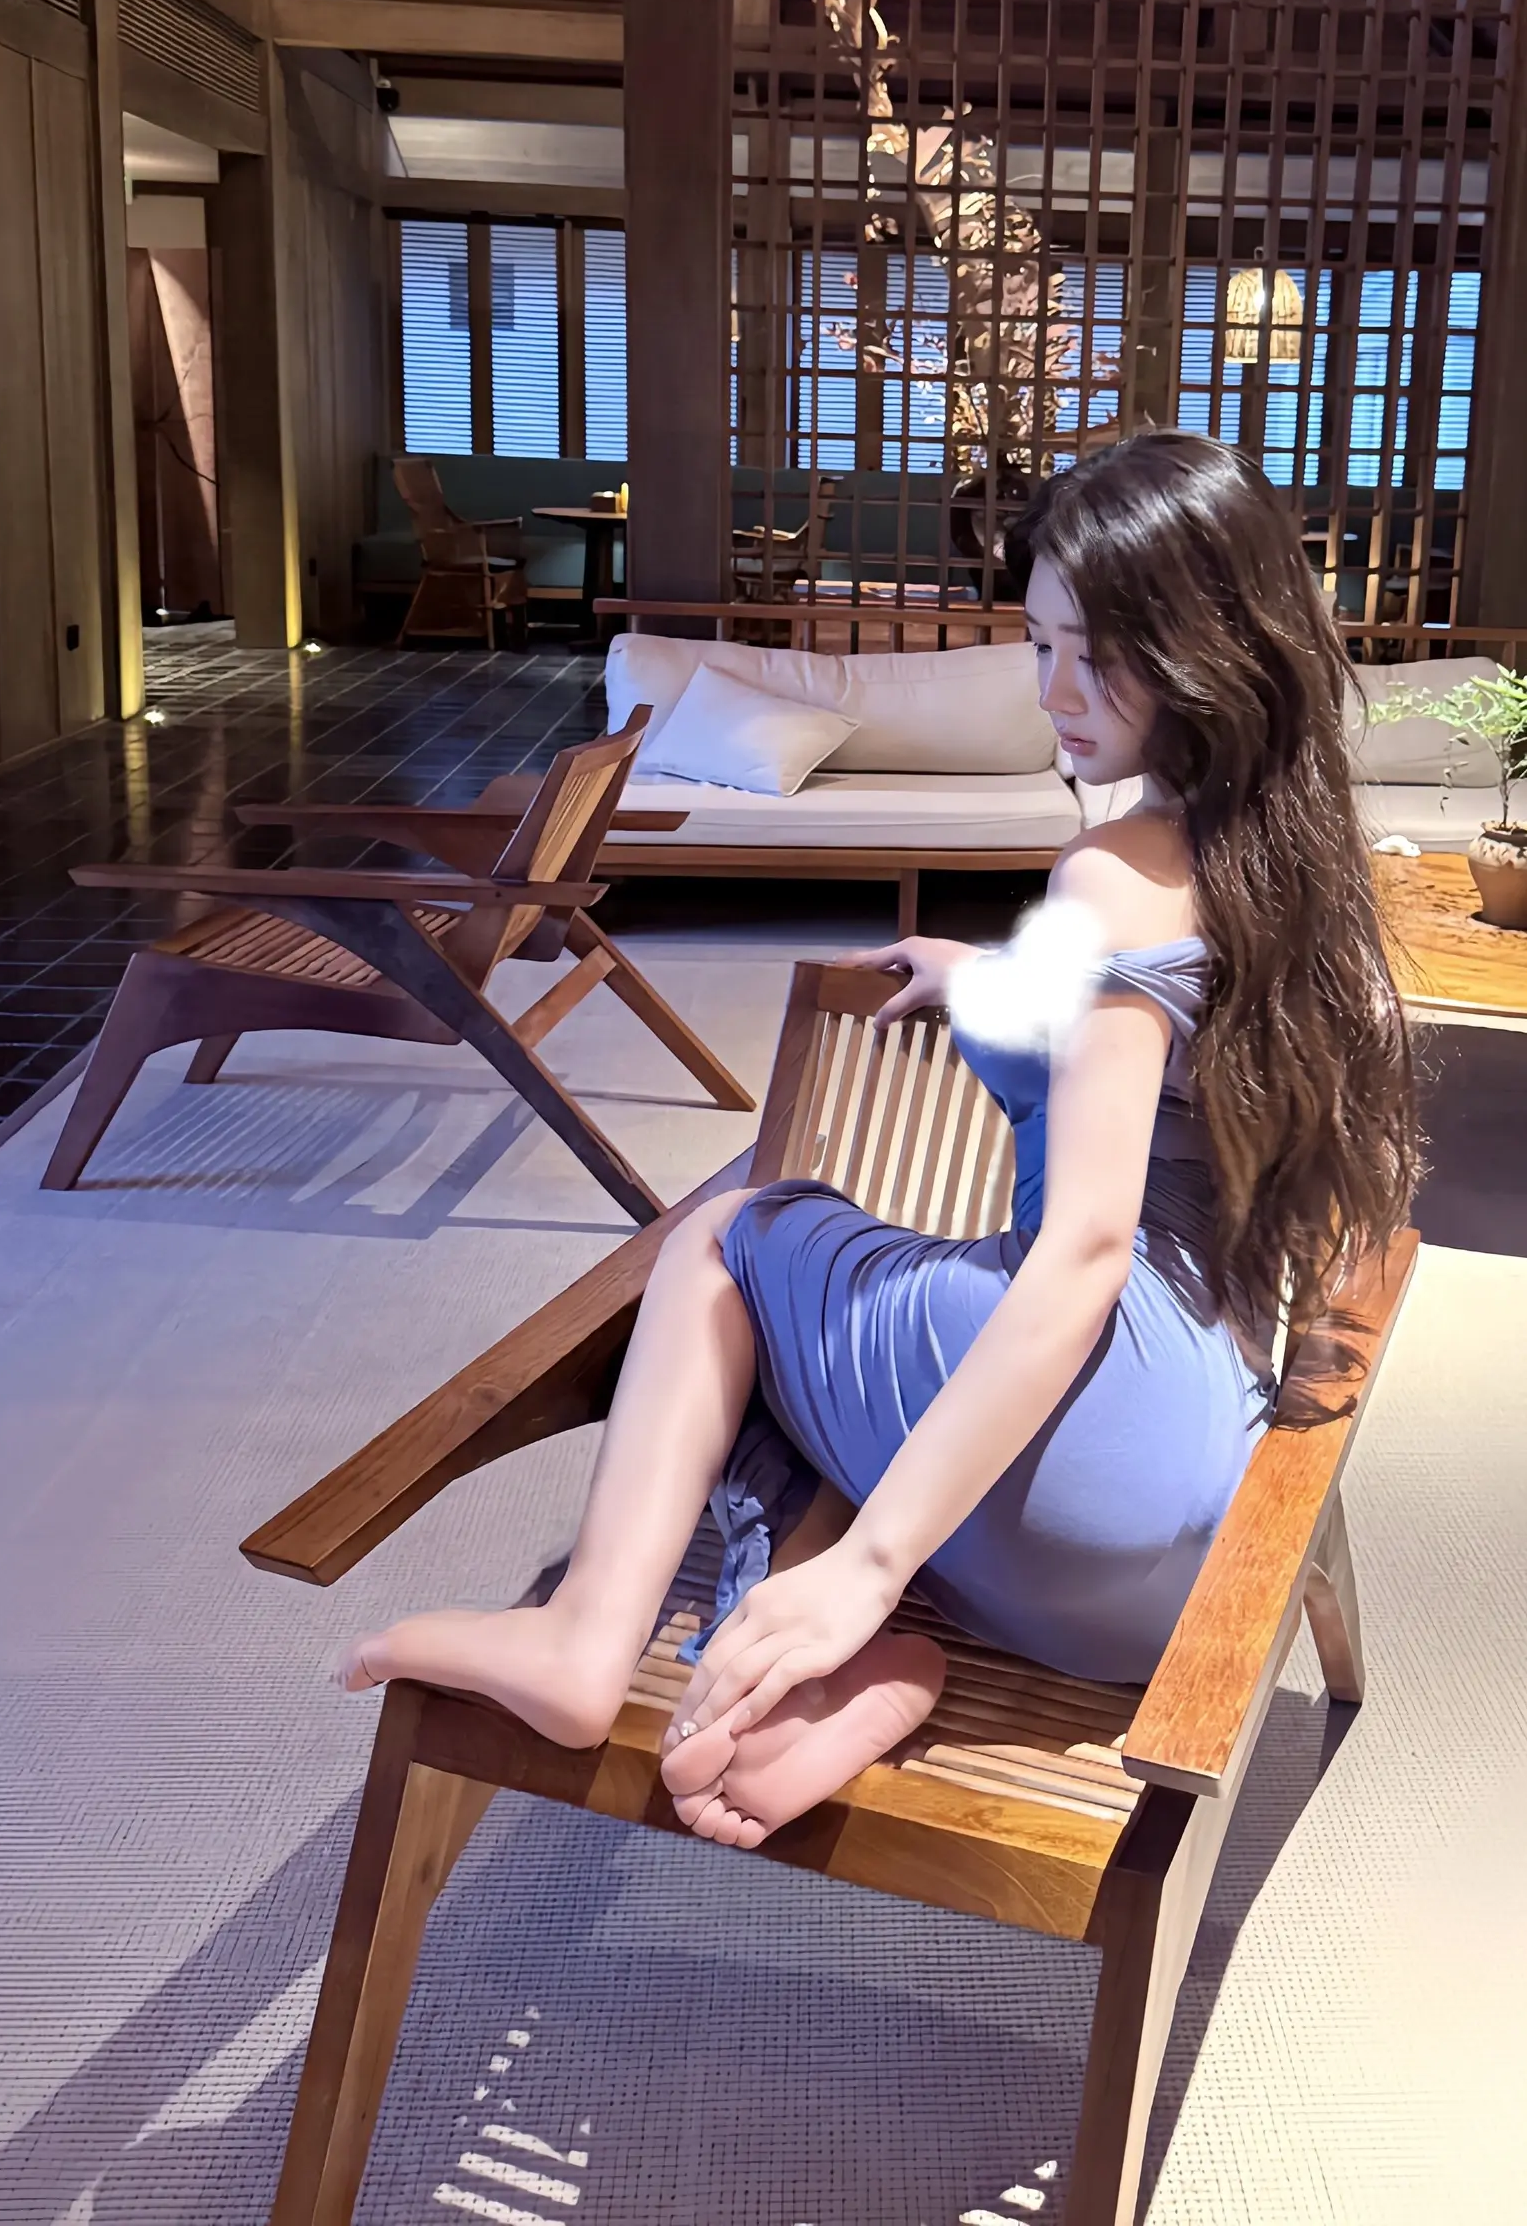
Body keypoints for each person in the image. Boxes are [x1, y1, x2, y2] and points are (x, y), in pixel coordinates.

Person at [339, 431, 1419, 1846]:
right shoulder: (1300, 868)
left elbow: (1086, 1254)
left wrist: (872, 1562)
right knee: (818, 1323)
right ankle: (854, 1675)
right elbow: (1147, 1039)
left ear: (1207, 650)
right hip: (1179, 1540)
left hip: (1085, 1456)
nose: (1055, 692)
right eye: (1040, 644)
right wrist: (989, 977)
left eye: (1099, 657)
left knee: (737, 1236)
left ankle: (595, 1635)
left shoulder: (1110, 873)